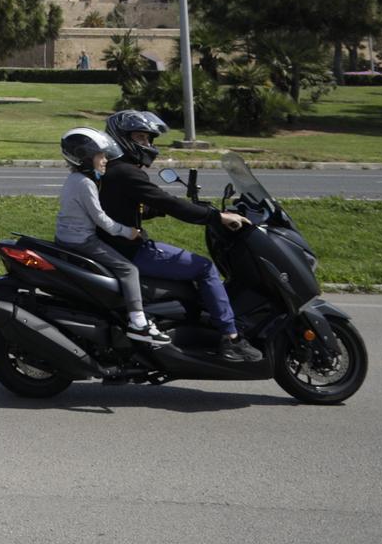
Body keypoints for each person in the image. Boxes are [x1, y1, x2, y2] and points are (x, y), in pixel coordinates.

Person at [100, 110, 262, 364]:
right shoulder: (127, 173)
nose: (147, 144)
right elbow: (167, 202)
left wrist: (169, 209)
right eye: (141, 137)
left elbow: (133, 206)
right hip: (129, 250)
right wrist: (215, 216)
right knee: (205, 268)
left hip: (114, 245)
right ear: (122, 138)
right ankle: (231, 339)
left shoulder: (113, 170)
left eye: (148, 139)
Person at [56, 128, 168, 346]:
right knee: (129, 270)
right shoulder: (85, 183)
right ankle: (138, 323)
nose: (105, 160)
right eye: (101, 156)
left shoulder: (74, 179)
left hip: (65, 238)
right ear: (85, 157)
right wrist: (128, 231)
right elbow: (101, 219)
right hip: (82, 241)